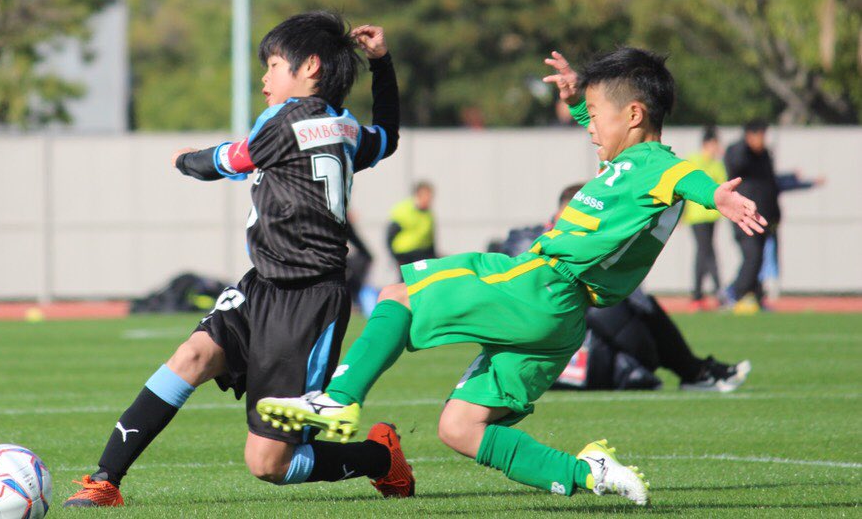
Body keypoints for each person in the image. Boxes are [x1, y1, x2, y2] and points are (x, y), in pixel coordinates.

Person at [256, 47, 767, 506]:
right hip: (563, 319)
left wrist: (716, 195)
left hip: (540, 284)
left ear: (634, 115)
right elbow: (637, 155)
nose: (589, 127)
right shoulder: (632, 162)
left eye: (595, 116)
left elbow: (683, 177)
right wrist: (578, 100)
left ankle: (338, 400)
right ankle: (588, 473)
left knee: (400, 294)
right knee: (461, 427)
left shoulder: (655, 164)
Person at [64, 14, 410, 508]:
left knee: (269, 464)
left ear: (310, 67)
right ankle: (105, 480)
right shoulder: (347, 127)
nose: (265, 79)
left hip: (307, 306)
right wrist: (382, 64)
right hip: (261, 285)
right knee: (191, 356)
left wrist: (185, 160)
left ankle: (379, 457)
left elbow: (231, 160)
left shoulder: (286, 118)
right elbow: (388, 137)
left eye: (273, 65)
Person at [504, 184, 749, 394]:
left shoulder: (578, 243)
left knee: (633, 305)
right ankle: (693, 371)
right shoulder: (532, 243)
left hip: (563, 346)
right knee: (608, 309)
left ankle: (693, 370)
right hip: (543, 351)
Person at [723, 121, 823, 310]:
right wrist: (747, 146)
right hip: (744, 216)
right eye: (760, 135)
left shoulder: (764, 155)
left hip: (765, 217)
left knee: (759, 258)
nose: (763, 140)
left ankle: (755, 296)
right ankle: (735, 294)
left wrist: (800, 181)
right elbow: (736, 165)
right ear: (749, 135)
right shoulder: (738, 152)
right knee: (752, 256)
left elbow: (772, 182)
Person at [683, 126, 727, 310]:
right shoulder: (693, 160)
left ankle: (700, 294)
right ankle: (715, 293)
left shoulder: (717, 164)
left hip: (712, 216)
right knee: (706, 253)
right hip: (697, 216)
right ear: (708, 143)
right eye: (716, 143)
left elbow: (723, 186)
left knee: (705, 253)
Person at [385, 181, 436, 277]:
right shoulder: (404, 210)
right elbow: (390, 235)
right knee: (407, 280)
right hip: (404, 254)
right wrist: (393, 257)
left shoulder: (428, 215)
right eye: (426, 196)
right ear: (418, 195)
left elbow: (430, 240)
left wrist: (434, 259)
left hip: (421, 254)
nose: (429, 199)